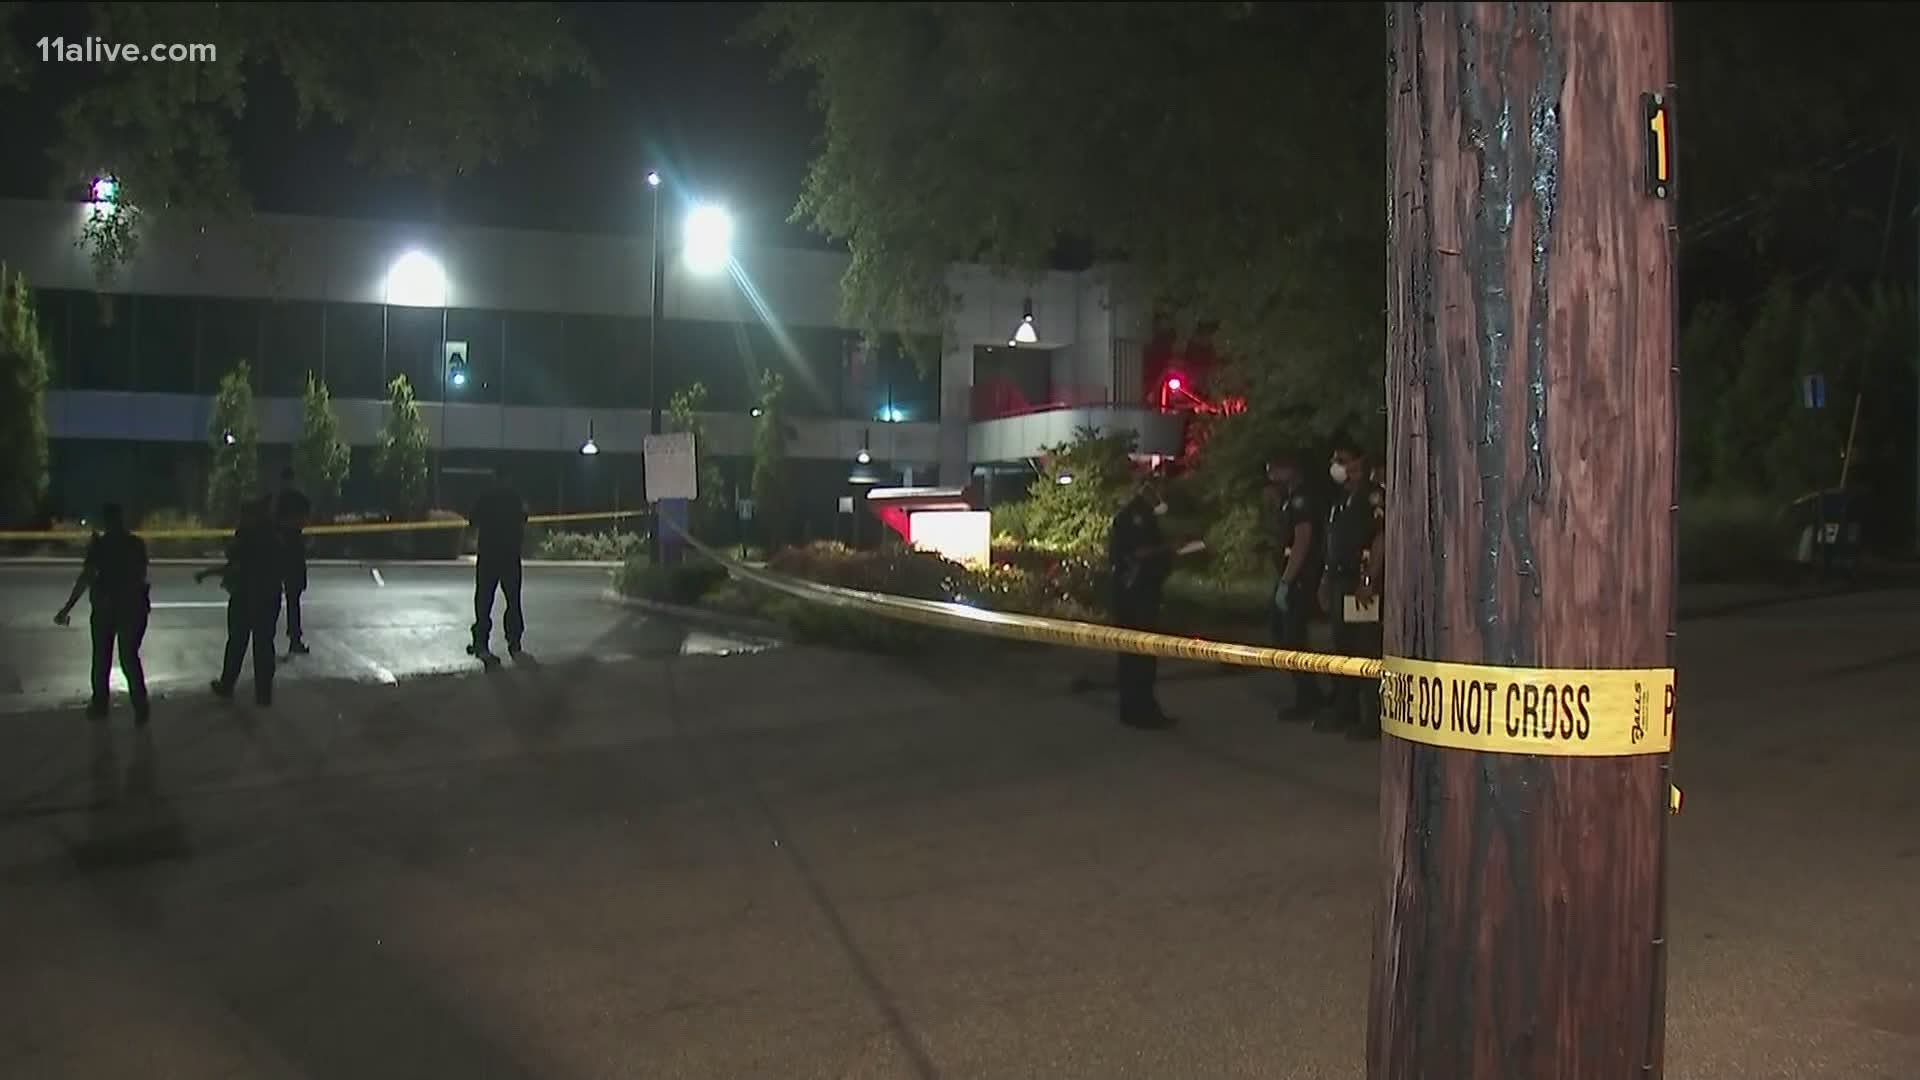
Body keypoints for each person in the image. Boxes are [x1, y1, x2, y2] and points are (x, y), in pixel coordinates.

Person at [54, 503, 152, 725]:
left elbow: (87, 576)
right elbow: (140, 574)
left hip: (107, 609)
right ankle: (140, 706)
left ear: (106, 522)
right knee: (129, 658)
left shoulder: (100, 546)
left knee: (102, 660)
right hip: (132, 608)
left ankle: (100, 705)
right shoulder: (135, 544)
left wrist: (67, 608)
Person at [1319, 443, 1386, 740]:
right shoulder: (1340, 499)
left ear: (1357, 462)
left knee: (1365, 649)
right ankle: (1345, 709)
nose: (1336, 464)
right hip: (1339, 581)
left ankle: (1372, 718)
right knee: (1342, 648)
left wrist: (1369, 580)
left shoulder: (1372, 496)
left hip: (1360, 583)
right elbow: (1332, 543)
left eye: (1342, 459)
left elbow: (1380, 538)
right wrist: (1325, 579)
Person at [1107, 471, 1179, 729]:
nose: (1164, 493)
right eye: (1161, 486)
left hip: (1135, 593)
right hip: (1136, 595)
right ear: (1150, 487)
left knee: (1133, 655)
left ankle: (1135, 708)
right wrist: (1170, 549)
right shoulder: (1136, 516)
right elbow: (1139, 552)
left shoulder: (1140, 514)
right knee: (1141, 655)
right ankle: (1141, 709)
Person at [196, 495, 283, 705]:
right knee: (263, 645)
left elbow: (235, 566)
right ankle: (263, 693)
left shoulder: (247, 538)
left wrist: (209, 573)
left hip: (246, 596)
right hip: (268, 597)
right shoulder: (274, 537)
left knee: (237, 643)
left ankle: (228, 685)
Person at [1265, 454, 1327, 720]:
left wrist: (1287, 581)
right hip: (1291, 577)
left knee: (1293, 639)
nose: (1271, 473)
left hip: (1299, 579)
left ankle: (1308, 697)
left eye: (1276, 468)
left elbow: (1302, 540)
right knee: (1285, 635)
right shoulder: (1288, 498)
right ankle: (1309, 693)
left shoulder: (1301, 499)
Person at [469, 468, 528, 659]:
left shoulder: (486, 497)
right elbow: (523, 519)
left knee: (484, 601)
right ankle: (514, 642)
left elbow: (472, 520)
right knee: (513, 601)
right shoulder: (515, 499)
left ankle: (481, 643)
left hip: (489, 556)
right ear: (508, 479)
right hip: (510, 556)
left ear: (495, 479)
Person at [273, 467, 312, 655]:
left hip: (288, 552)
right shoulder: (289, 500)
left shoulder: (285, 500)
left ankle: (293, 637)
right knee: (290, 597)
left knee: (291, 596)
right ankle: (293, 638)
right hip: (290, 552)